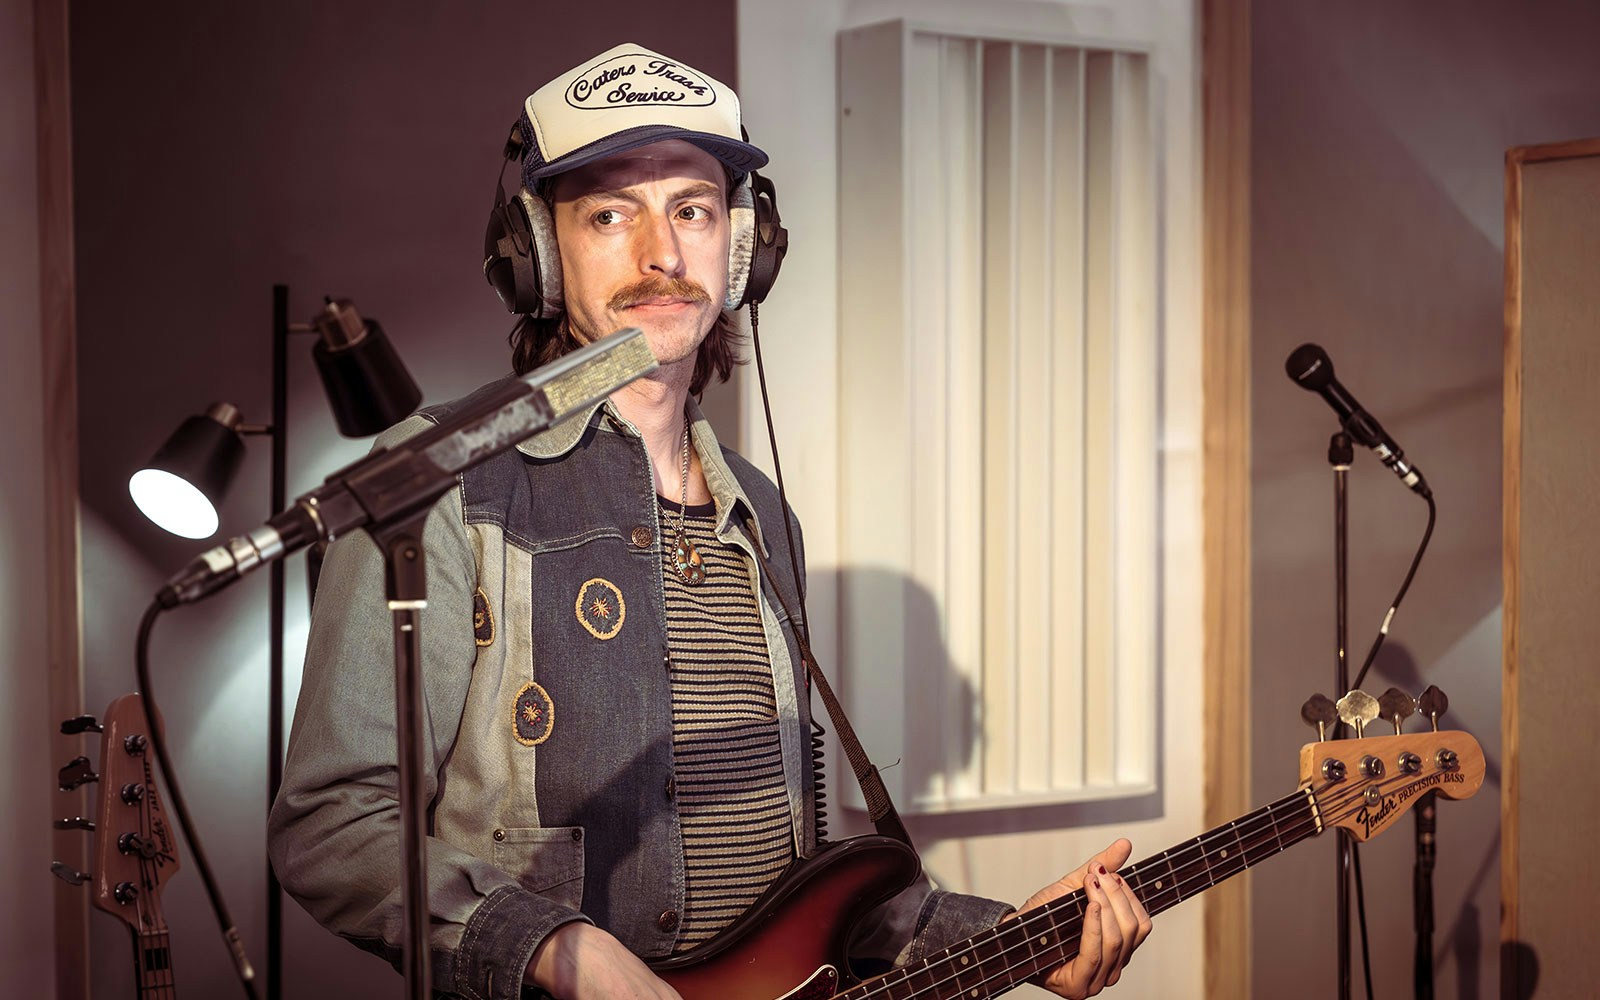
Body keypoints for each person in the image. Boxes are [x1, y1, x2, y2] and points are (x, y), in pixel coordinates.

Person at [269, 41, 1151, 1000]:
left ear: (742, 249)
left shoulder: (761, 514)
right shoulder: (438, 480)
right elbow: (334, 824)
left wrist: (1014, 939)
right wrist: (557, 948)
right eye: (610, 214)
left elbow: (797, 886)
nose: (662, 254)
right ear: (539, 256)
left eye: (692, 210)